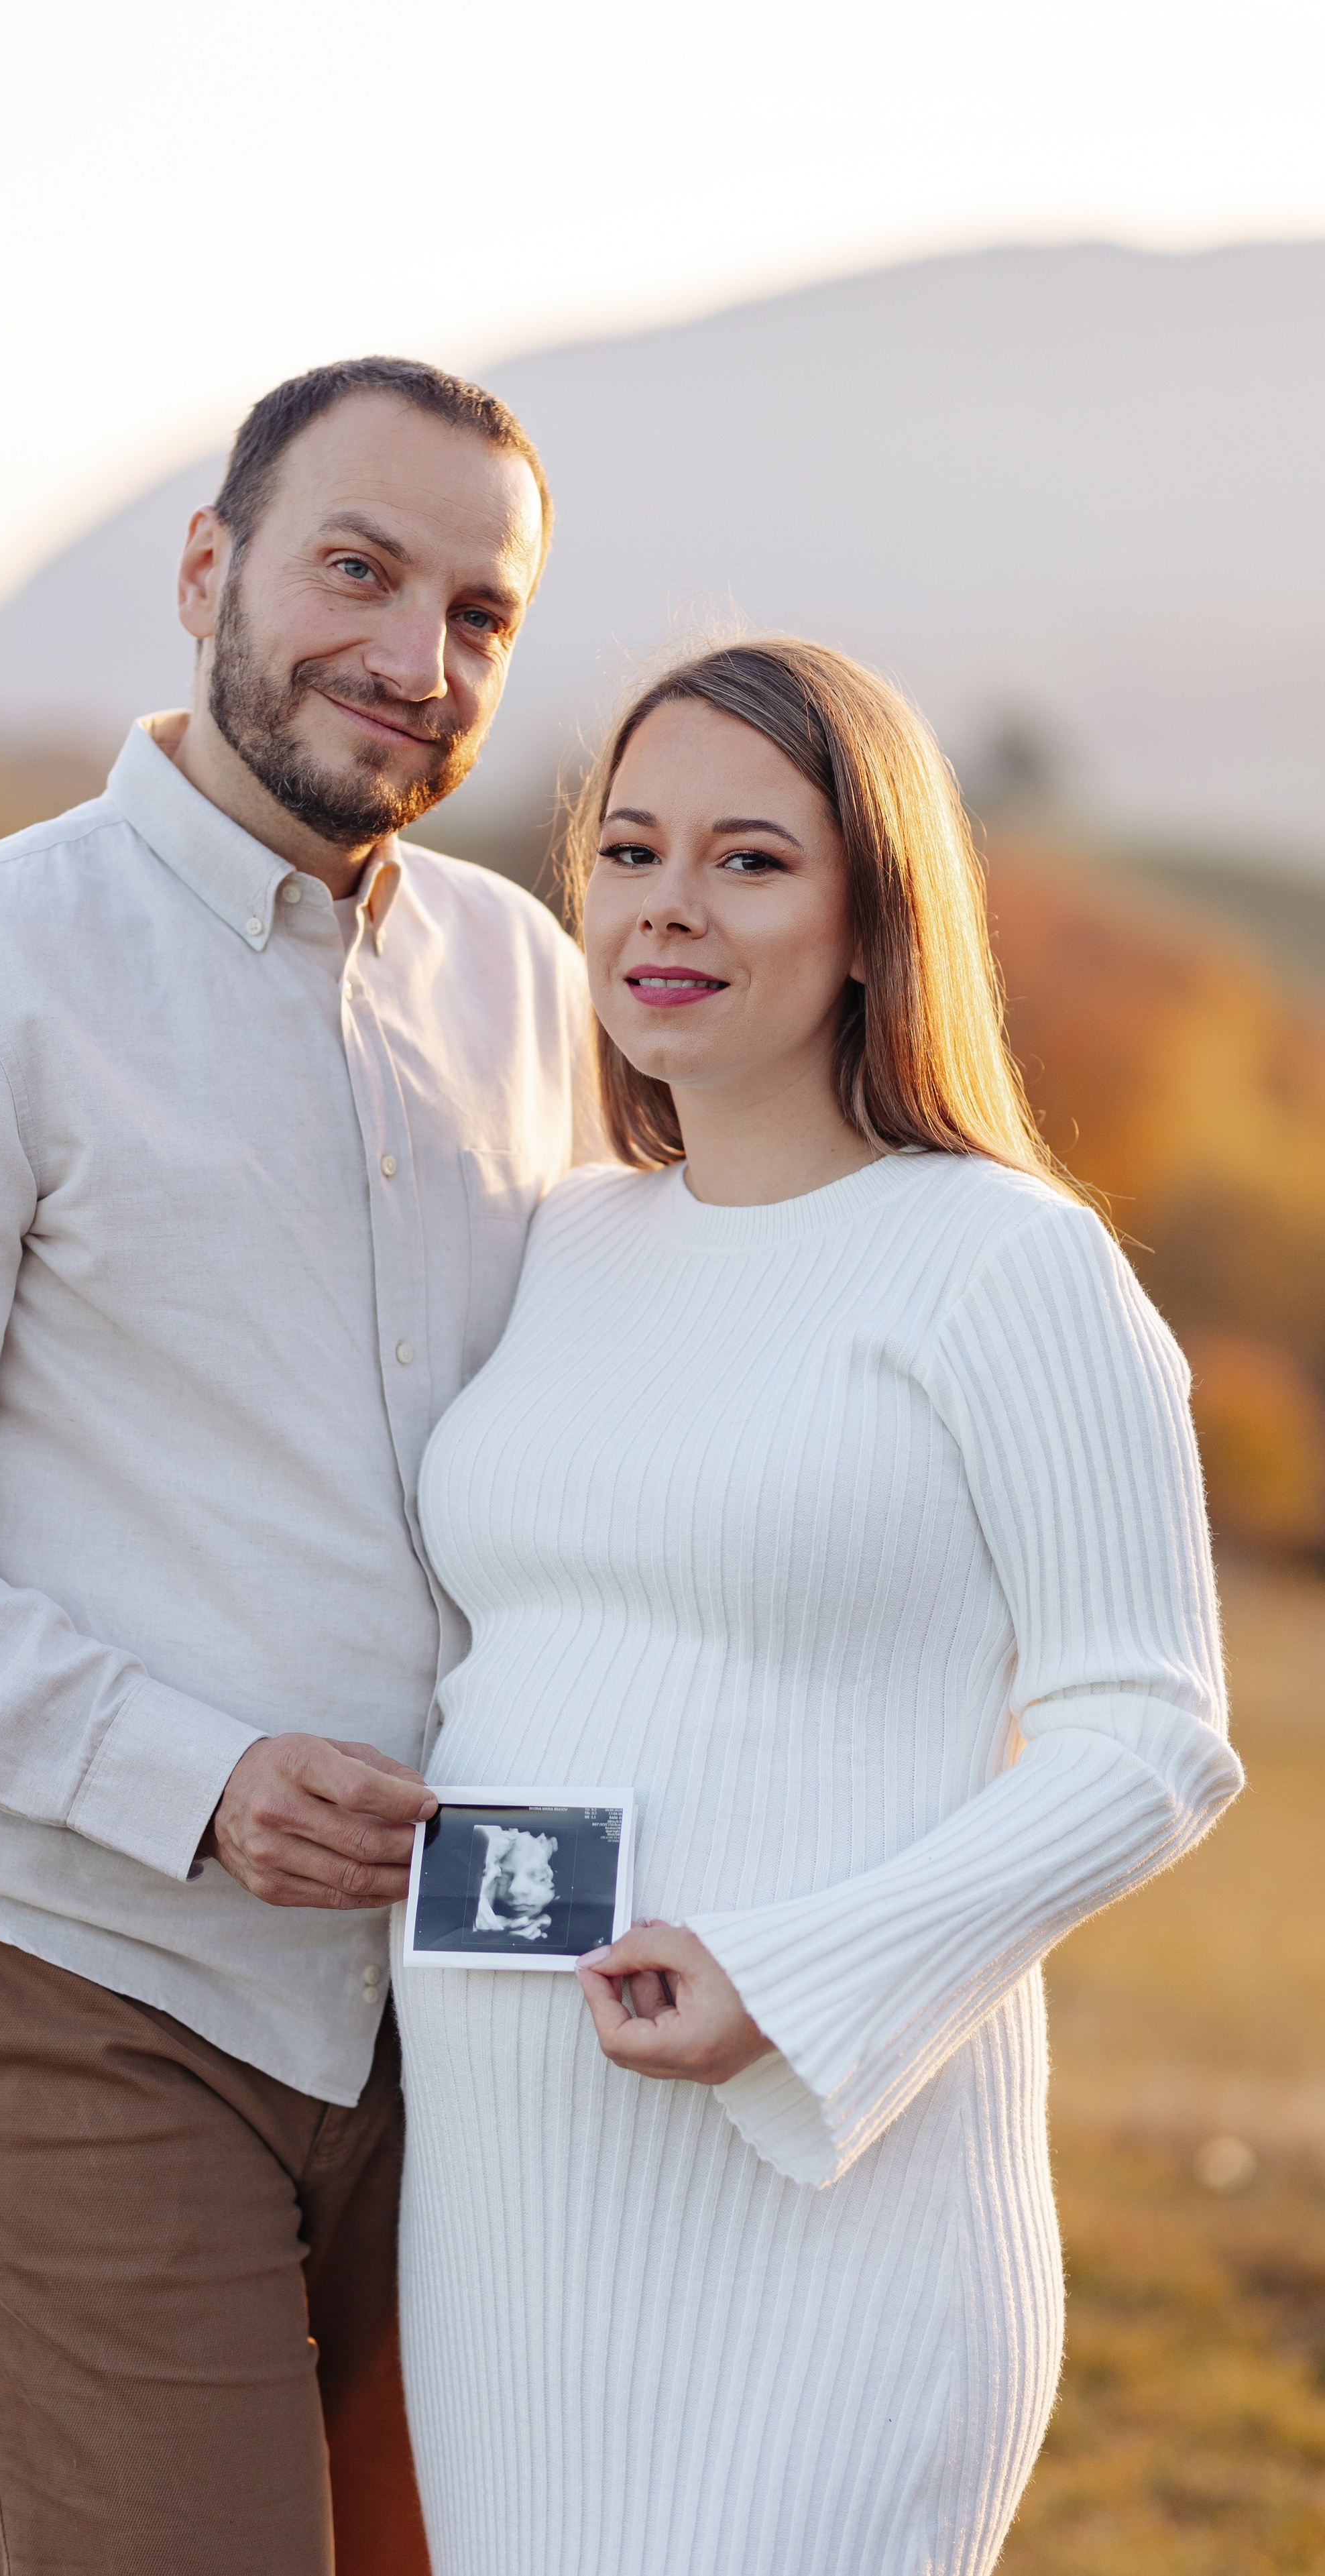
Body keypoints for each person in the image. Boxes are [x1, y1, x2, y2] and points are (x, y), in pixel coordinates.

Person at [0, 355, 598, 2576]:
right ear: (210, 569)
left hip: (449, 2024)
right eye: (359, 572)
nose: (416, 658)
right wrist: (187, 1776)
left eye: (479, 615)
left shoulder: (529, 984)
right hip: (73, 1966)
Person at [393, 638, 1243, 2576]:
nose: (670, 904)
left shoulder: (1006, 1264)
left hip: (827, 2197)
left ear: (875, 922)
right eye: (628, 848)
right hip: (515, 2208)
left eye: (753, 859)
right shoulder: (566, 1241)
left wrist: (793, 1977)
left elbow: (1153, 1735)